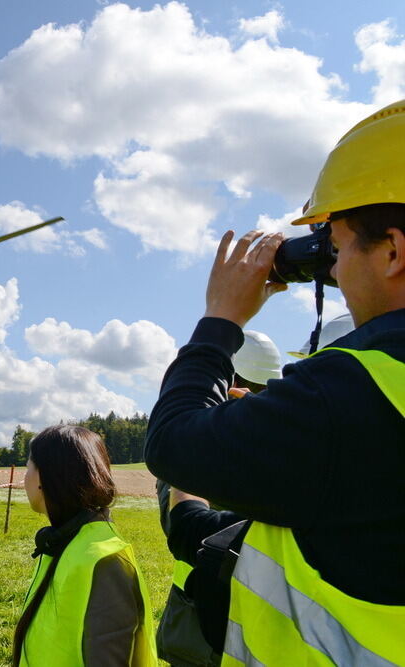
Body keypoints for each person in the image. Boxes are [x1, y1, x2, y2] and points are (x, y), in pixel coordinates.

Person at [146, 99, 405, 665]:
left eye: (336, 248)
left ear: (392, 250)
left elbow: (172, 441)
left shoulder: (348, 394)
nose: (332, 271)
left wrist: (220, 320)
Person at [155, 330, 280, 666]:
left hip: (200, 627)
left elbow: (181, 523)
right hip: (267, 624)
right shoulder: (288, 440)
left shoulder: (205, 445)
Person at [14, 424, 157, 666]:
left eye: (28, 467)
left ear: (45, 477)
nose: (24, 478)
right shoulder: (63, 542)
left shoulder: (104, 561)